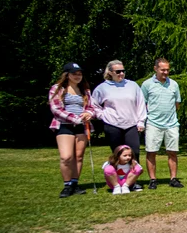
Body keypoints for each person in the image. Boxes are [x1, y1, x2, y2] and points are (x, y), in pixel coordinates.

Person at [92, 60, 147, 191]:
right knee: (118, 156)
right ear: (110, 72)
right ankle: (117, 183)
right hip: (113, 124)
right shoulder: (102, 88)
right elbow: (94, 105)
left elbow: (140, 104)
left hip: (131, 124)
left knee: (134, 153)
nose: (121, 73)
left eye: (123, 71)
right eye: (118, 71)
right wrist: (102, 115)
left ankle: (132, 182)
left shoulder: (132, 85)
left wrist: (141, 121)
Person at [48, 62, 95, 198]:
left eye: (79, 74)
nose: (78, 76)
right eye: (74, 74)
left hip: (82, 126)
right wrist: (75, 118)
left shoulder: (85, 90)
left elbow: (91, 107)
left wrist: (88, 114)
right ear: (67, 75)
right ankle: (67, 184)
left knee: (79, 156)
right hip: (64, 125)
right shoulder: (57, 89)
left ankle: (75, 183)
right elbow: (56, 109)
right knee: (66, 157)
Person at [141, 58, 183, 189]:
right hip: (153, 123)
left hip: (171, 124)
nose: (165, 72)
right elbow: (142, 104)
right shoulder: (147, 85)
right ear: (155, 69)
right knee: (151, 152)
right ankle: (153, 180)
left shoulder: (174, 84)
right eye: (162, 69)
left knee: (172, 152)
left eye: (167, 70)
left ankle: (173, 179)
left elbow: (177, 104)